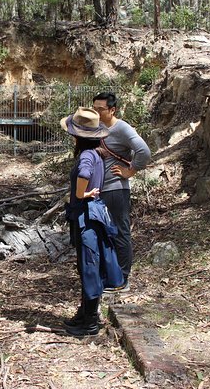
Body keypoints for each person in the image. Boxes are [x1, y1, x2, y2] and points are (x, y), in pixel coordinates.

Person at [60, 107, 123, 337]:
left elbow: (84, 175)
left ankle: (90, 322)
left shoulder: (87, 155)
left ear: (77, 135)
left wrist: (81, 194)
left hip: (87, 215)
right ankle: (86, 314)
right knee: (89, 266)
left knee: (89, 267)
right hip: (93, 214)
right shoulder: (96, 153)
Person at [92, 91, 151, 292]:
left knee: (120, 232)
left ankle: (123, 279)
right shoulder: (97, 127)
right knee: (104, 234)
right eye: (94, 108)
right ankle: (110, 275)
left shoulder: (122, 128)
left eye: (100, 109)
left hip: (116, 189)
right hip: (99, 190)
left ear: (112, 109)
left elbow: (144, 151)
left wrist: (130, 171)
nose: (97, 112)